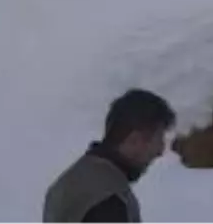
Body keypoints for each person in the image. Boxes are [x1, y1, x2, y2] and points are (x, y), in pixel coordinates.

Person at [44, 89, 175, 224]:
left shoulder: (69, 181)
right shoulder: (110, 200)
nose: (160, 151)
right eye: (159, 139)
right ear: (135, 140)